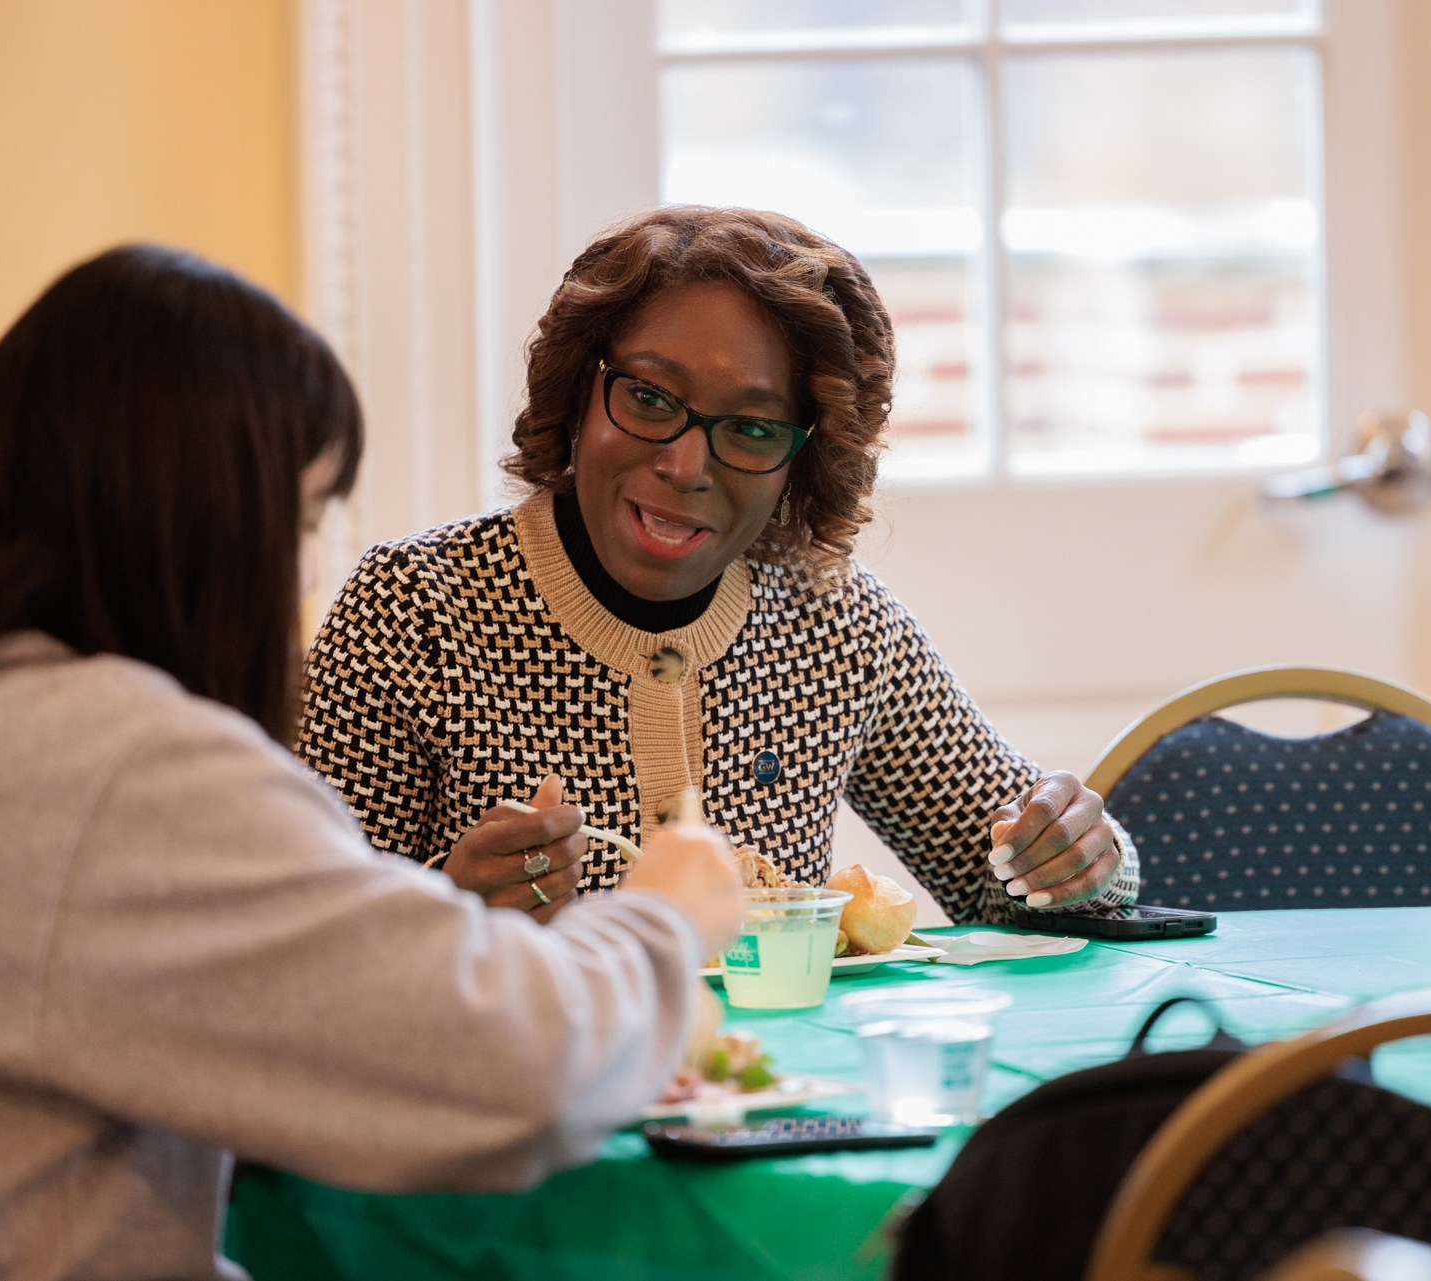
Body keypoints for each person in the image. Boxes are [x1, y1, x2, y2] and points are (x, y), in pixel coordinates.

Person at [0, 245, 745, 1280]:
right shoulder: (119, 769)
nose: (304, 566)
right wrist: (663, 916)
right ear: (202, 516)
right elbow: (512, 1066)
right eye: (303, 516)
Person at [298, 206, 1143, 923]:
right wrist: (442, 907)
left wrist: (1086, 862)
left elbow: (1019, 885)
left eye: (751, 427)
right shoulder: (413, 609)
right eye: (651, 398)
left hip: (781, 1102)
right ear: (577, 394)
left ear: (801, 461)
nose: (686, 466)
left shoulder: (835, 623)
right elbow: (299, 951)